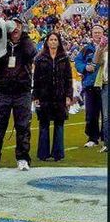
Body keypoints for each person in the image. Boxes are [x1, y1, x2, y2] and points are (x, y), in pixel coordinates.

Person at [0, 17, 36, 171]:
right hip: (2, 90)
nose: (16, 29)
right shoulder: (2, 43)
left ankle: (23, 158)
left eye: (19, 26)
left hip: (22, 91)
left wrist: (24, 36)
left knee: (23, 126)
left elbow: (31, 53)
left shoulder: (26, 44)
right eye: (13, 26)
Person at [32, 32, 72, 161]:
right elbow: (36, 79)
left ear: (59, 42)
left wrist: (68, 96)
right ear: (47, 42)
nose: (53, 42)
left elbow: (68, 79)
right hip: (44, 96)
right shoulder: (40, 58)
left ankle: (58, 154)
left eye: (55, 39)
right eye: (51, 39)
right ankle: (43, 154)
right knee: (44, 125)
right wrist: (35, 96)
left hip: (60, 96)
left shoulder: (64, 58)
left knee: (59, 125)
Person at [75, 24, 104, 147]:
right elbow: (77, 62)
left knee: (106, 114)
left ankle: (105, 138)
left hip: (105, 85)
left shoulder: (107, 48)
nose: (97, 35)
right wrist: (85, 67)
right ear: (91, 34)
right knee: (91, 113)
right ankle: (92, 138)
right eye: (95, 32)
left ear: (103, 34)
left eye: (99, 32)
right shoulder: (86, 48)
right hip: (90, 85)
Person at [93, 35, 108, 153]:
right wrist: (100, 47)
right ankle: (107, 144)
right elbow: (96, 61)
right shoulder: (105, 48)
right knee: (106, 116)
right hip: (106, 84)